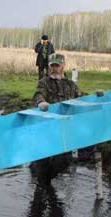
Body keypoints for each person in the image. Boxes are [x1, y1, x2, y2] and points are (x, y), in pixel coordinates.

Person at [31, 53, 85, 183]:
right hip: (46, 128)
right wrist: (41, 102)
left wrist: (96, 95)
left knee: (65, 160)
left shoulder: (71, 85)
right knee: (42, 160)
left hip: (64, 128)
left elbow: (82, 97)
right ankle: (41, 184)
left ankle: (45, 180)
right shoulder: (44, 82)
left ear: (63, 66)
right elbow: (38, 94)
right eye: (52, 65)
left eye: (57, 65)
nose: (54, 68)